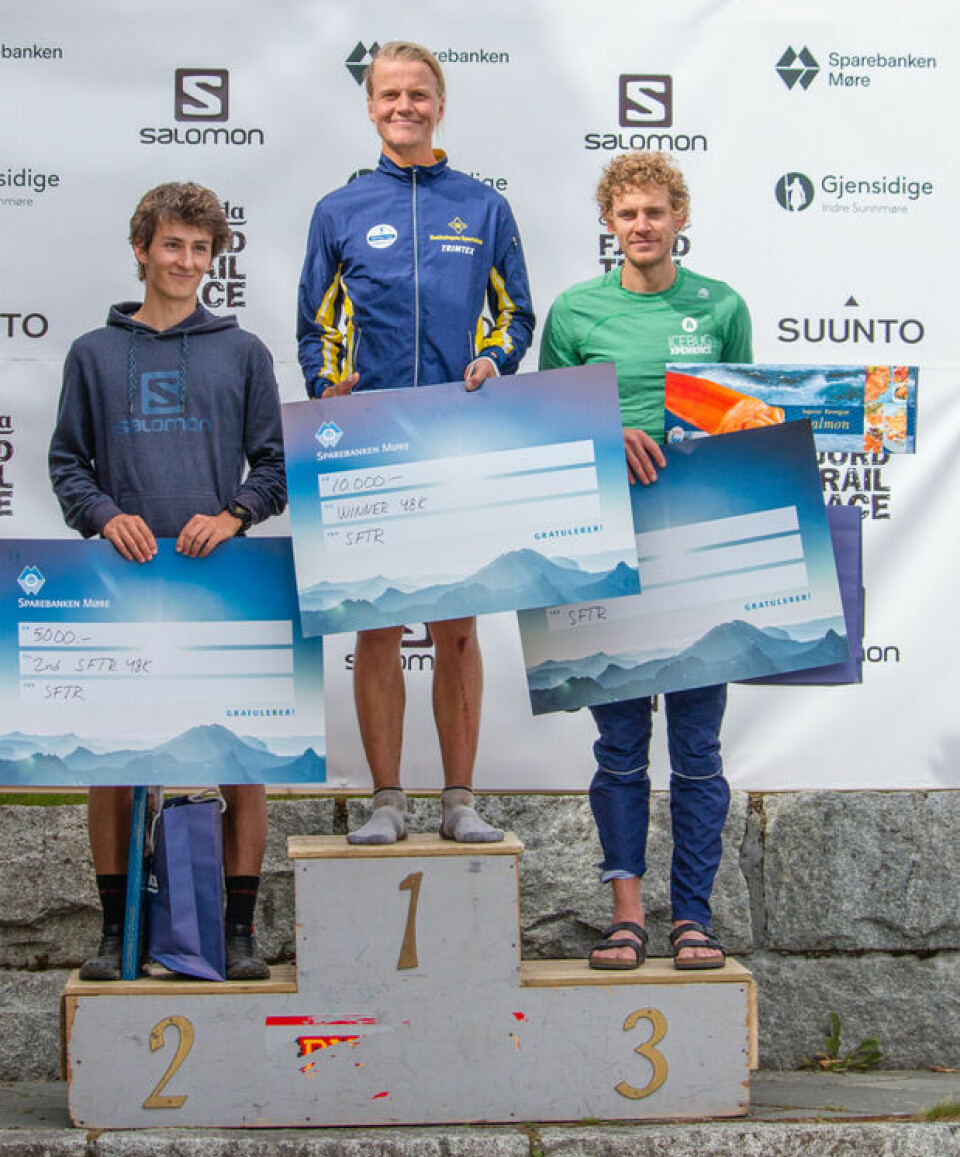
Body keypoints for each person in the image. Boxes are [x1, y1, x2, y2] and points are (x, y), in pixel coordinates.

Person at [297, 41, 534, 845]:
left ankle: (460, 800)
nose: (405, 106)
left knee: (458, 628)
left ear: (440, 104)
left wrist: (495, 359)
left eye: (419, 94)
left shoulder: (483, 206)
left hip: (461, 440)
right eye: (390, 94)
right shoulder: (339, 210)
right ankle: (387, 801)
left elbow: (515, 316)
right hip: (371, 442)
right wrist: (330, 383)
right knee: (376, 624)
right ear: (369, 107)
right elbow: (316, 325)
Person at [49, 181, 287, 979]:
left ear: (213, 259)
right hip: (123, 579)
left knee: (241, 757)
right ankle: (116, 931)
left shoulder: (243, 352)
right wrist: (102, 514)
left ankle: (239, 933)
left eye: (200, 249)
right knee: (113, 761)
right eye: (172, 246)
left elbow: (277, 468)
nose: (186, 262)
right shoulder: (92, 353)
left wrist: (234, 515)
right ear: (143, 250)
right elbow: (66, 463)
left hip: (222, 579)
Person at [539, 152, 753, 971]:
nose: (642, 226)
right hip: (601, 543)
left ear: (680, 218)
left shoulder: (723, 305)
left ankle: (692, 918)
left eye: (655, 212)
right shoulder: (575, 312)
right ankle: (626, 916)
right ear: (609, 223)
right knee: (621, 748)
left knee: (698, 750)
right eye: (627, 214)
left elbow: (747, 422)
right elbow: (545, 425)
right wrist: (603, 431)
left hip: (699, 542)